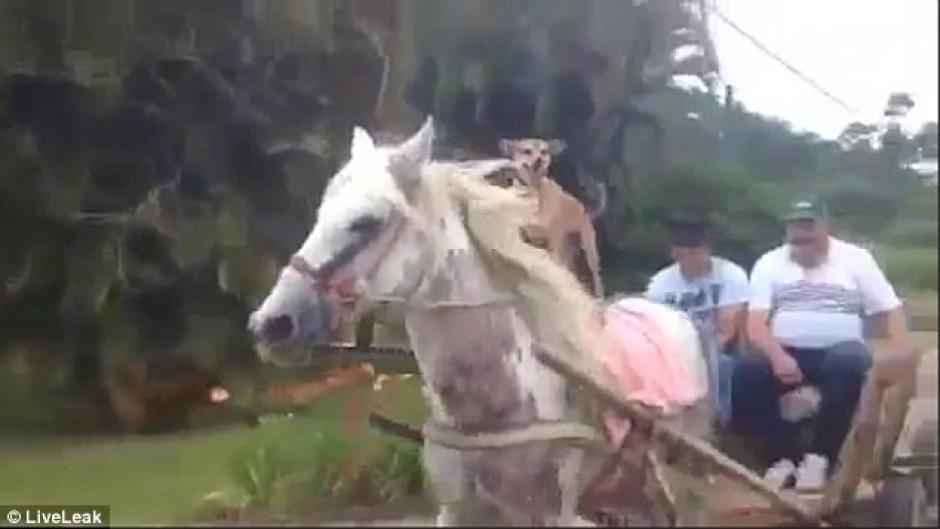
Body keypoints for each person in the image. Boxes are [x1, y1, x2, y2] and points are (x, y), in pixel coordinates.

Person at [733, 198, 911, 491]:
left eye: (808, 230)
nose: (802, 239)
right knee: (745, 373)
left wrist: (901, 354)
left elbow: (889, 310)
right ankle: (780, 457)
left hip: (839, 348)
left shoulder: (856, 260)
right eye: (795, 232)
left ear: (826, 228)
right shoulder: (770, 262)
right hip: (787, 349)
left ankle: (820, 456)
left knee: (850, 363)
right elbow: (755, 323)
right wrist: (777, 356)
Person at [645, 217, 750, 426]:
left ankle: (720, 422)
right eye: (688, 253)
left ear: (708, 249)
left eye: (698, 251)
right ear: (675, 254)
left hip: (719, 345)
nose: (695, 258)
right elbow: (655, 326)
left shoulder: (731, 274)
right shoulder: (660, 283)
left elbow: (727, 328)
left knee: (719, 364)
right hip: (674, 347)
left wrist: (698, 353)